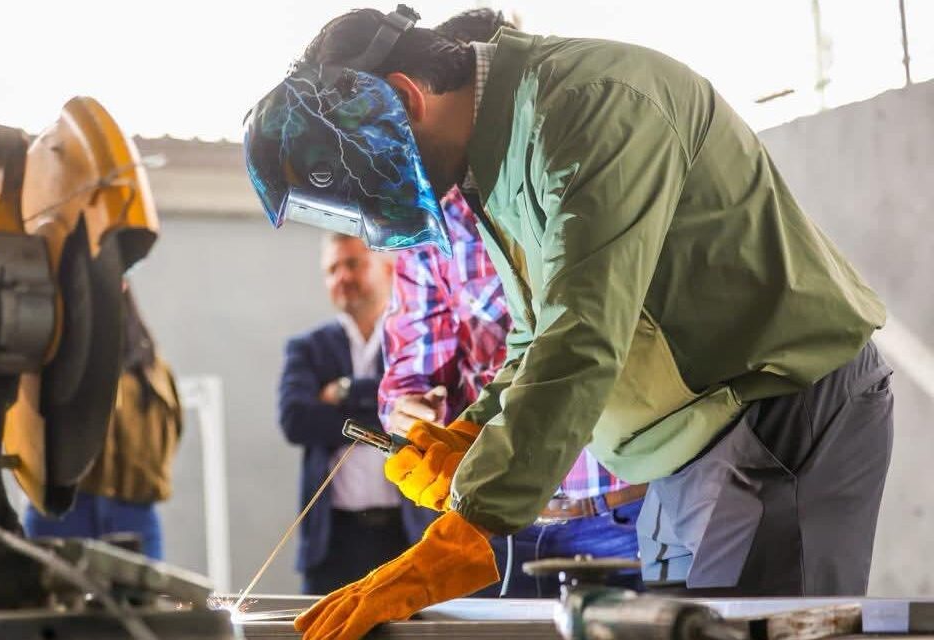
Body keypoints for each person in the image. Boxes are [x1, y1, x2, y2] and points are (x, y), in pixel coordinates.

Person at [244, 6, 891, 638]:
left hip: (773, 405)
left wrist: (472, 525)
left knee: (751, 631)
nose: (381, 202)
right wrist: (476, 428)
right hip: (684, 439)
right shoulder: (500, 148)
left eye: (376, 178)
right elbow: (537, 332)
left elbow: (582, 332)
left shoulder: (588, 107)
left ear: (407, 97)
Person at [379, 8, 643, 598]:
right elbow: (420, 375)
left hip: (632, 508)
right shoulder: (431, 233)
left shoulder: (580, 158)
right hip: (514, 530)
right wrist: (422, 422)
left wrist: (479, 504)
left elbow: (582, 339)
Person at [277, 233, 430, 595]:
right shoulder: (307, 348)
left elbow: (424, 415)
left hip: (407, 534)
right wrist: (388, 411)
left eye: (353, 263)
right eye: (331, 269)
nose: (341, 277)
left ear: (389, 269)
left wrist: (344, 392)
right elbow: (296, 420)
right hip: (333, 542)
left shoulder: (418, 340)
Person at [23, 286, 182, 561]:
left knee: (141, 602)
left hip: (132, 513)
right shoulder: (50, 362)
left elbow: (171, 432)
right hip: (64, 510)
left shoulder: (152, 369)